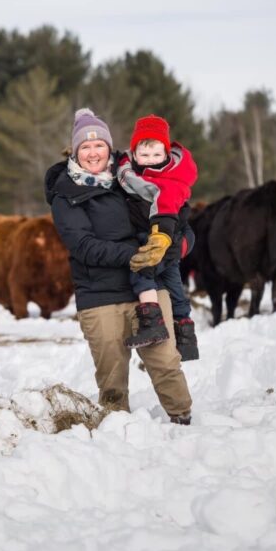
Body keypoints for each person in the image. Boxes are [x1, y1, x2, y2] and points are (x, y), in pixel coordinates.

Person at [45, 108, 193, 424]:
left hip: (151, 288)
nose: (93, 152)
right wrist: (133, 255)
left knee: (166, 361)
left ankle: (184, 422)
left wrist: (173, 246)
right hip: (101, 296)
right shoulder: (66, 193)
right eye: (85, 146)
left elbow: (181, 220)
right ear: (74, 151)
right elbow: (82, 246)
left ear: (110, 147)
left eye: (99, 145)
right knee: (112, 376)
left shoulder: (135, 177)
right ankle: (117, 434)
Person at [116, 114, 200, 361]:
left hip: (159, 237)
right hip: (159, 238)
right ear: (134, 155)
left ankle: (152, 321)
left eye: (156, 155)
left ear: (166, 154)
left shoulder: (169, 181)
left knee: (142, 269)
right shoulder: (129, 174)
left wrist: (164, 239)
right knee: (174, 286)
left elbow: (165, 211)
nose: (151, 161)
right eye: (144, 155)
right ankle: (185, 336)